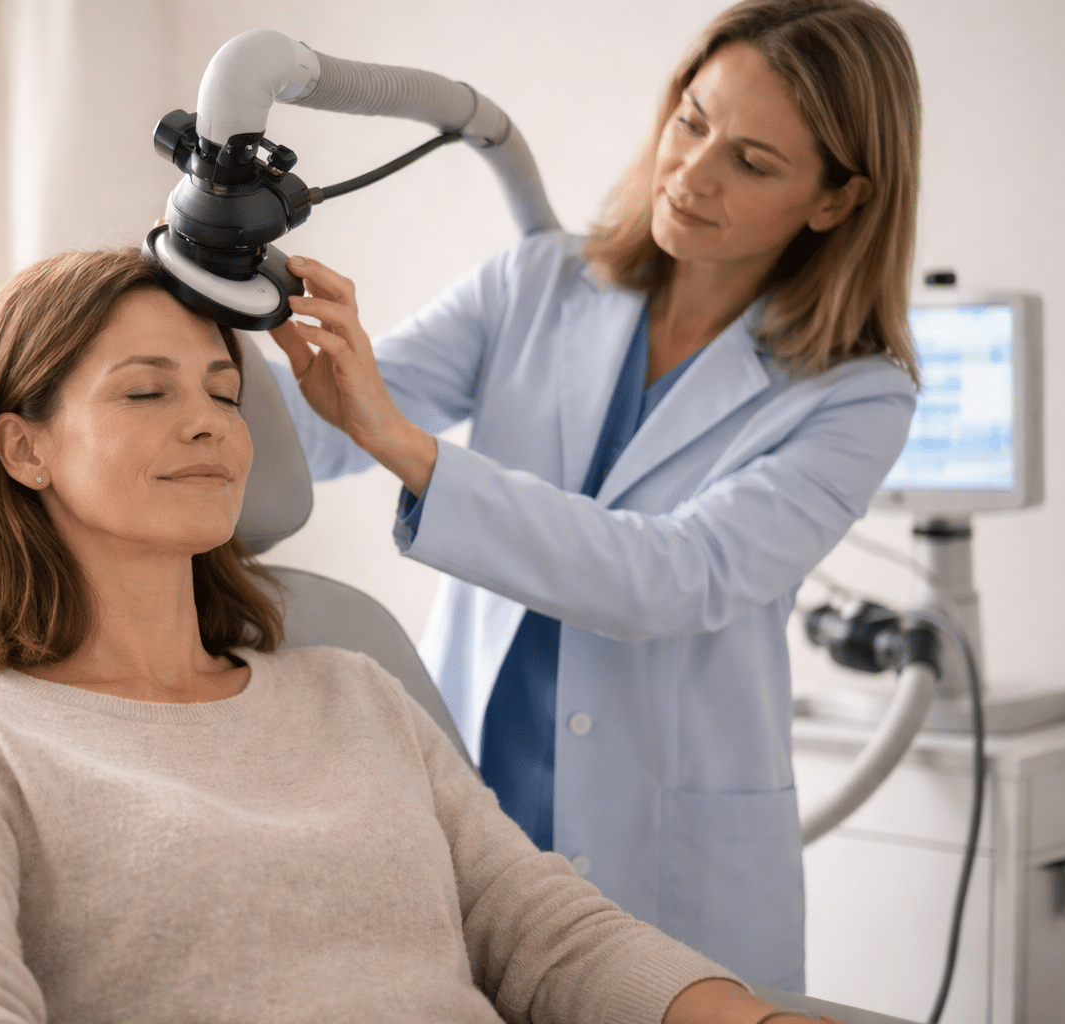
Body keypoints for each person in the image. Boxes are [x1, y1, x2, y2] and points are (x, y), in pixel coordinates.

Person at [0, 248, 830, 1024]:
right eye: (146, 390)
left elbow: (551, 935)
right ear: (25, 447)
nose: (208, 423)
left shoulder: (355, 690)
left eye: (225, 393)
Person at [264, 0, 920, 992]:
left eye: (752, 162)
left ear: (836, 200)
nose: (691, 174)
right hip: (477, 807)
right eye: (691, 121)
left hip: (672, 865)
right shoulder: (535, 284)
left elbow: (671, 576)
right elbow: (319, 422)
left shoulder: (857, 395)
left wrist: (403, 444)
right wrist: (189, 343)